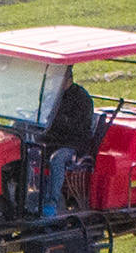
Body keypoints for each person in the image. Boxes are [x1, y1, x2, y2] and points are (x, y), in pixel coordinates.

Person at [35, 73, 101, 220]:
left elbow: (79, 127)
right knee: (28, 149)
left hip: (74, 144)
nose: (55, 85)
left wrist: (55, 120)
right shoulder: (52, 96)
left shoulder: (81, 98)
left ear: (69, 80)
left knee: (57, 159)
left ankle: (51, 201)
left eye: (59, 81)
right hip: (53, 139)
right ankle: (29, 195)